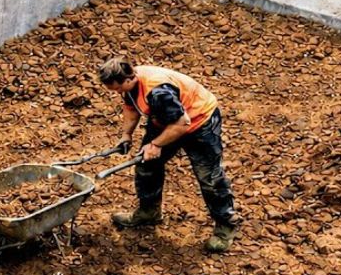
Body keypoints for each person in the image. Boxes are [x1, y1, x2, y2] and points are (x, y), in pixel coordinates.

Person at [97, 57, 238, 253]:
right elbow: (131, 108)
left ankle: (226, 224)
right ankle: (149, 211)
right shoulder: (130, 83)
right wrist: (126, 135)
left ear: (128, 79)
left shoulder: (159, 92)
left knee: (209, 177)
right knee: (146, 164)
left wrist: (155, 144)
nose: (118, 93)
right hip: (166, 121)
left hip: (199, 122)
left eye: (118, 89)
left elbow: (182, 124)